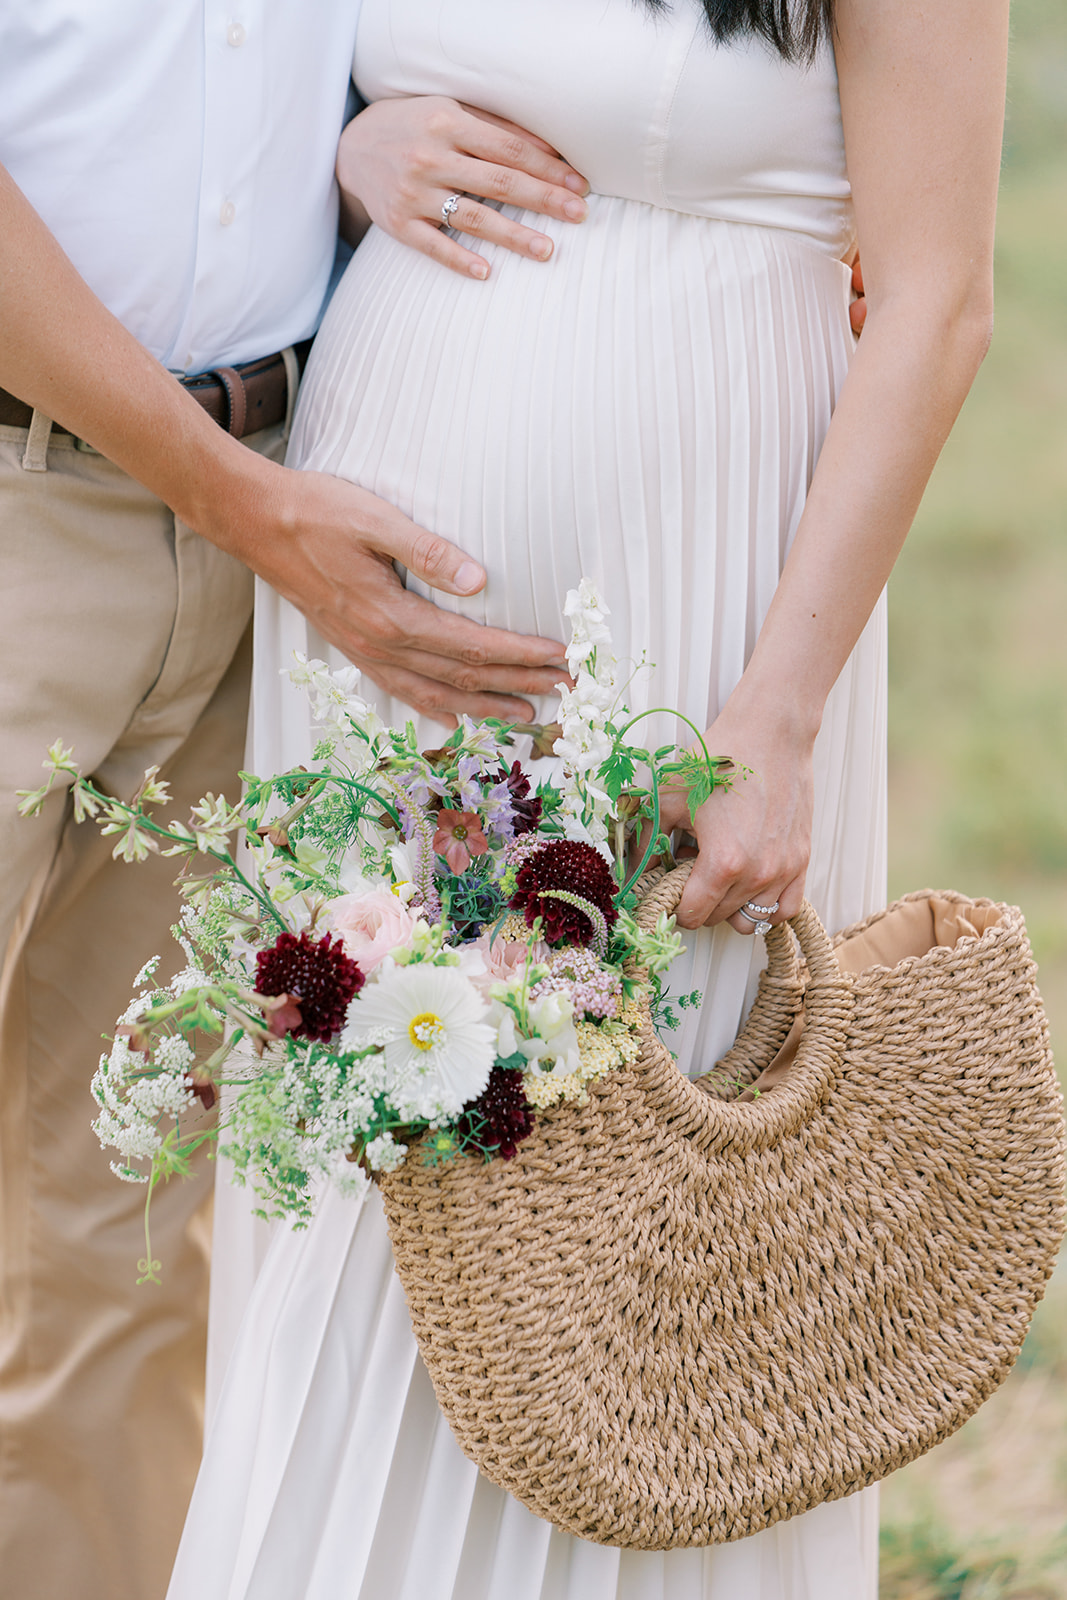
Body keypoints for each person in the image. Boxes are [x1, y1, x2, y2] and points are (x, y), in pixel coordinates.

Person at [166, 0, 1007, 1595]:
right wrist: (350, 156)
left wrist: (778, 708)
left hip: (700, 586)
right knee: (370, 1160)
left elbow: (941, 303)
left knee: (640, 1185)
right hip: (375, 614)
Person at [0, 8, 604, 1595]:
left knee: (124, 1223)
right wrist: (240, 499)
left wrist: (354, 148)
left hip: (264, 527)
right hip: (41, 501)